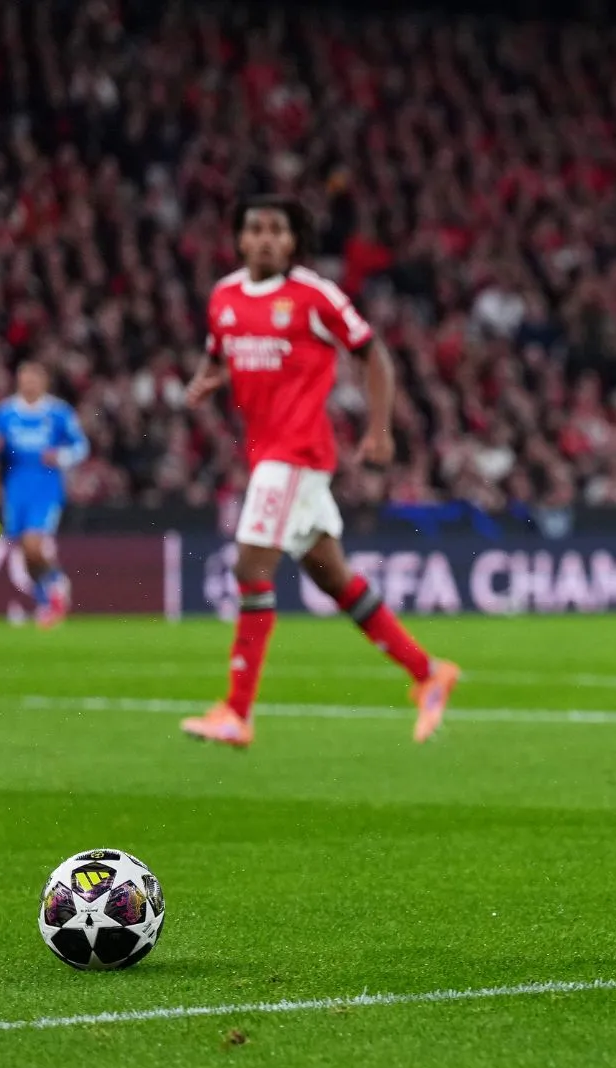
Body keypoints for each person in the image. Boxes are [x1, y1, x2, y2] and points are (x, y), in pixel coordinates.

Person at [180, 195, 460, 749]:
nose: (264, 238)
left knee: (250, 568)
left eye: (276, 230)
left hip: (297, 453)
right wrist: (207, 377)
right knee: (333, 577)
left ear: (292, 241)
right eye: (254, 229)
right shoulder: (225, 297)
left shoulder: (313, 296)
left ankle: (237, 712)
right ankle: (428, 672)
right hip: (268, 456)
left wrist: (380, 429)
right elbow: (218, 350)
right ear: (239, 240)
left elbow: (373, 352)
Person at [0, 361, 88, 628]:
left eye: (34, 379)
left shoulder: (58, 413)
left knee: (33, 543)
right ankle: (50, 599)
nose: (29, 384)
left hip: (46, 488)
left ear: (44, 382)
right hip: (16, 488)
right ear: (18, 381)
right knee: (25, 553)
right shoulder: (5, 414)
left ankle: (58, 586)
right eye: (25, 379)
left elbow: (82, 446)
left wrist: (61, 456)